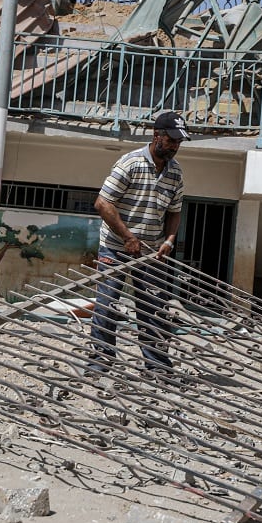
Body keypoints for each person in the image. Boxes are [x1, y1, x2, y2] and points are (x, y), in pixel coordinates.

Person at [89, 110, 189, 375]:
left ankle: (156, 367)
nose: (175, 146)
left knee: (154, 309)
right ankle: (100, 362)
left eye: (178, 142)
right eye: (171, 140)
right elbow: (103, 203)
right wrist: (127, 237)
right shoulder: (130, 163)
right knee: (108, 304)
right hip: (115, 245)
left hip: (151, 251)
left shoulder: (175, 174)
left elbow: (175, 210)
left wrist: (169, 240)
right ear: (157, 136)